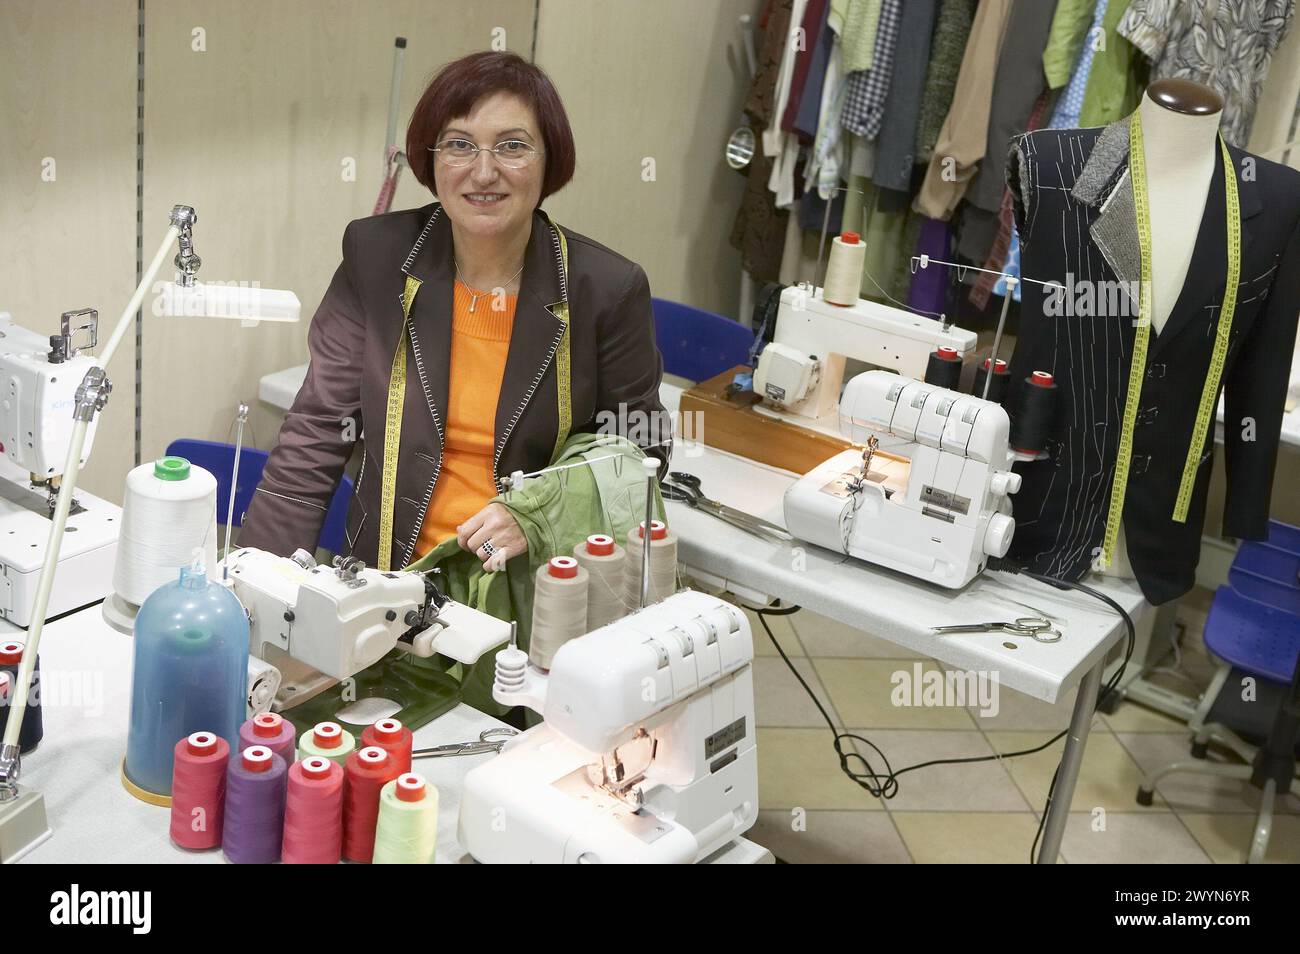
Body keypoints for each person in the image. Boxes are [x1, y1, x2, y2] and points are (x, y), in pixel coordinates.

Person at [240, 50, 669, 572]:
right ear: (431, 159)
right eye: (460, 145)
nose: (483, 172)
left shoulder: (606, 288)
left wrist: (539, 514)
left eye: (512, 146)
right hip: (384, 583)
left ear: (550, 158)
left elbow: (640, 450)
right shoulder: (377, 257)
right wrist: (254, 580)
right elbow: (317, 430)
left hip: (529, 587)